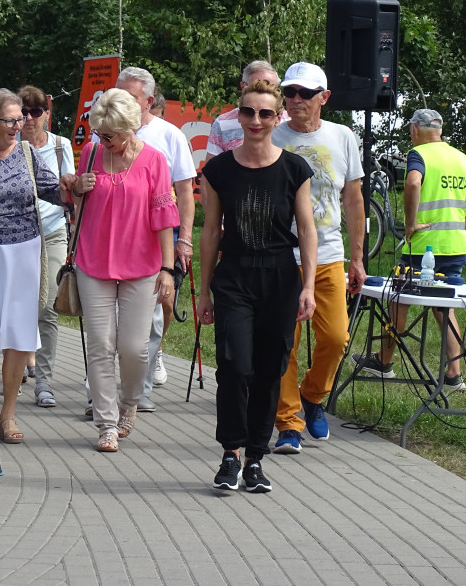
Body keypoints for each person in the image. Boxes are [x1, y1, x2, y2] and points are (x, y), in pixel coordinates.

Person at [197, 80, 317, 493]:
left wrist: (309, 287)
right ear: (239, 115)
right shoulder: (218, 170)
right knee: (234, 366)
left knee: (269, 370)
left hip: (282, 279)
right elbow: (210, 232)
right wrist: (203, 290)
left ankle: (255, 460)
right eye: (249, 112)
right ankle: (230, 453)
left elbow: (306, 229)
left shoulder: (295, 169)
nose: (256, 121)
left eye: (265, 113)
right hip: (235, 278)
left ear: (277, 116)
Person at [68, 89, 179, 452]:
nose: (104, 142)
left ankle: (130, 401)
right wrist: (79, 189)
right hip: (93, 260)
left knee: (133, 348)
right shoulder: (92, 152)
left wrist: (167, 267)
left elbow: (165, 216)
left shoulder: (154, 160)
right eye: (100, 134)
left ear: (130, 128)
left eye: (110, 135)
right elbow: (75, 200)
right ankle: (107, 423)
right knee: (100, 345)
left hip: (142, 263)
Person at [271, 62, 365, 453]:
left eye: (305, 94)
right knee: (283, 344)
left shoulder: (342, 136)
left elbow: (354, 198)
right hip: (279, 255)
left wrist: (357, 258)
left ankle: (313, 395)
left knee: (335, 337)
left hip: (328, 256)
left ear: (324, 98)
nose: (295, 101)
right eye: (289, 93)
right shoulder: (272, 135)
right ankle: (288, 423)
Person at [0, 88, 61, 445]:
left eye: (21, 118)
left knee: (19, 333)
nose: (19, 125)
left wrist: (78, 188)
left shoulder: (29, 154)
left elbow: (54, 191)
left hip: (25, 251)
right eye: (10, 120)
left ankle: (8, 413)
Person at [354, 108, 466, 391]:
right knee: (445, 305)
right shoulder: (461, 158)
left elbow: (414, 181)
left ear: (415, 130)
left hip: (424, 245)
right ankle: (455, 372)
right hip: (456, 244)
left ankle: (384, 361)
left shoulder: (420, 154)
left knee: (398, 299)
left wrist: (411, 222)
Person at [116, 67, 196, 411]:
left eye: (130, 96)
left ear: (149, 100)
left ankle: (140, 390)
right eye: (117, 93)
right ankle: (99, 394)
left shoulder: (170, 135)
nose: (121, 101)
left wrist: (185, 239)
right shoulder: (101, 133)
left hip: (155, 242)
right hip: (111, 239)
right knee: (107, 323)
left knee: (150, 318)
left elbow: (185, 192)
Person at [17, 86, 75, 408]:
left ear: (46, 115)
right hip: (16, 235)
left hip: (53, 232)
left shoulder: (59, 145)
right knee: (22, 306)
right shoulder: (8, 148)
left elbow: (71, 189)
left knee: (48, 306)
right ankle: (19, 363)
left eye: (35, 112)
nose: (28, 118)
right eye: (23, 112)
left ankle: (44, 381)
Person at [206, 61, 286, 158]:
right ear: (243, 87)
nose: (256, 121)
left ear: (278, 118)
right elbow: (212, 168)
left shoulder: (290, 121)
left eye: (272, 88)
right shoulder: (222, 123)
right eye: (255, 86)